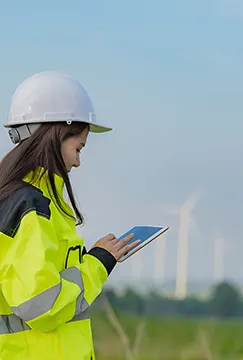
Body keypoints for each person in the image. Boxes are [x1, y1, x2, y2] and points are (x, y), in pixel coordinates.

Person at [0, 71, 141, 360]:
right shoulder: (29, 205)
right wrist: (98, 264)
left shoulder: (23, 200)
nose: (78, 161)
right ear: (52, 136)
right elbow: (41, 304)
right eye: (78, 147)